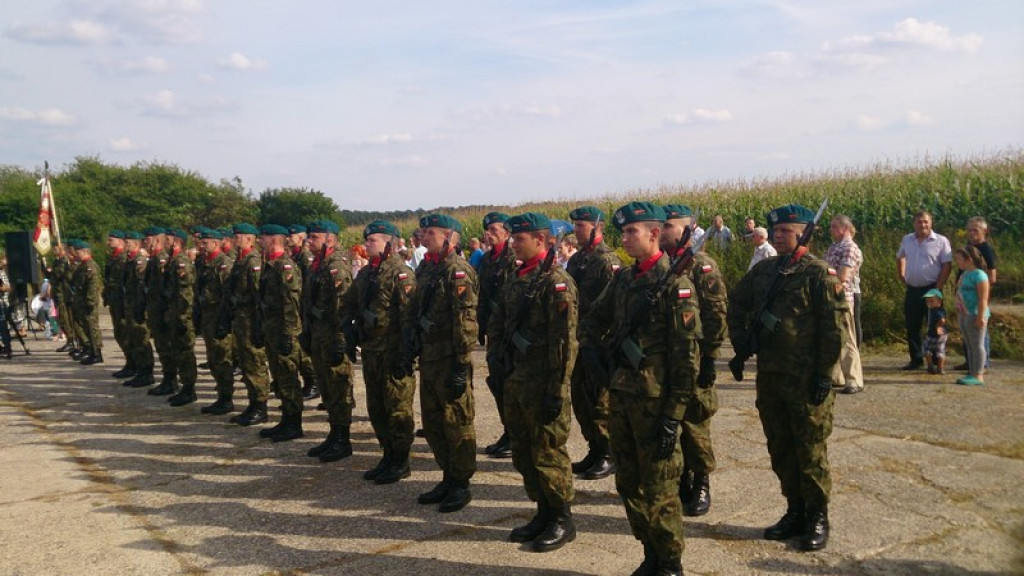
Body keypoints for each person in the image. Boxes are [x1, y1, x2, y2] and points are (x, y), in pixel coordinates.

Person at [580, 202, 699, 576]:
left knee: (662, 488)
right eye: (623, 232)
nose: (625, 239)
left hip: (656, 403)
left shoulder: (676, 286)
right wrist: (592, 351)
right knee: (629, 482)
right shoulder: (624, 280)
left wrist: (673, 415)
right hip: (621, 397)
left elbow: (686, 360)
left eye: (632, 232)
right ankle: (650, 551)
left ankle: (670, 562)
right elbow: (592, 317)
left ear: (653, 234)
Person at [727, 203, 847, 552]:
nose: (779, 237)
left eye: (786, 231)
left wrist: (825, 374)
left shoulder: (819, 274)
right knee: (780, 448)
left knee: (809, 450)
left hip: (807, 378)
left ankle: (817, 516)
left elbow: (833, 329)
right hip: (771, 377)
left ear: (804, 233)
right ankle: (794, 510)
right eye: (775, 231)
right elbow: (736, 301)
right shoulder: (765, 271)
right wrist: (741, 341)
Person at [487, 212, 579, 551]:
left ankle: (562, 518)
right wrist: (496, 360)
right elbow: (500, 320)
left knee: (548, 453)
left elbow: (565, 343)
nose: (513, 243)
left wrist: (557, 389)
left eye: (520, 238)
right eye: (513, 237)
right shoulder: (517, 276)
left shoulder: (556, 282)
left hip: (543, 383)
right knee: (524, 453)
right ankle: (543, 511)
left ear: (541, 241)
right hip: (516, 379)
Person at [404, 214, 479, 513]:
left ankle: (461, 483)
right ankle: (447, 476)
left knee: (456, 423)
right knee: (434, 423)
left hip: (449, 359)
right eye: (423, 232)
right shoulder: (427, 267)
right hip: (430, 357)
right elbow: (415, 307)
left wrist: (461, 364)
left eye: (431, 232)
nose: (424, 237)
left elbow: (466, 322)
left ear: (450, 236)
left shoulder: (457, 271)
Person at [662, 204, 728, 517]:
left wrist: (712, 358)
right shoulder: (661, 264)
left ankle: (701, 479)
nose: (662, 231)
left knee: (695, 423)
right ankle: (682, 476)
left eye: (669, 226)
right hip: (667, 359)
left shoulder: (702, 266)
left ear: (687, 230)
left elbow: (716, 315)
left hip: (696, 358)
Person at [341, 220, 417, 483]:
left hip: (392, 352)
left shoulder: (401, 273)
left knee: (397, 409)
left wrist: (407, 353)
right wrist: (348, 329)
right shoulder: (366, 274)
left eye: (373, 240)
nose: (367, 243)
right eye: (367, 239)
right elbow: (349, 303)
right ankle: (387, 455)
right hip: (372, 351)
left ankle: (400, 460)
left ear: (390, 243)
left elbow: (409, 317)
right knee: (376, 407)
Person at [566, 205, 622, 481]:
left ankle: (608, 453)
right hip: (578, 340)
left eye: (581, 226)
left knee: (599, 401)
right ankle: (594, 448)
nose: (576, 231)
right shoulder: (578, 260)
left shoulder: (606, 261)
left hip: (598, 343)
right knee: (581, 399)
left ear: (596, 227)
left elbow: (611, 309)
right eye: (575, 226)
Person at [302, 220, 358, 462]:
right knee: (327, 387)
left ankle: (343, 440)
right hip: (318, 336)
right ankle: (334, 434)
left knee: (339, 389)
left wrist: (339, 340)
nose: (309, 241)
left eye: (314, 237)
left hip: (332, 338)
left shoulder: (336, 267)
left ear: (330, 240)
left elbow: (342, 309)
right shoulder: (317, 265)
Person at [252, 225, 305, 440]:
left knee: (288, 376)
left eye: (263, 237)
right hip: (272, 329)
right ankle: (285, 419)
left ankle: (294, 423)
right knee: (280, 377)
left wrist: (288, 333)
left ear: (274, 240)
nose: (259, 241)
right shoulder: (270, 265)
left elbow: (291, 302)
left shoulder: (285, 266)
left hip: (285, 331)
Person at [220, 223, 272, 426]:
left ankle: (260, 406)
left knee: (254, 362)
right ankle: (253, 403)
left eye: (238, 237)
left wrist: (260, 324)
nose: (234, 240)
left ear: (249, 239)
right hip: (241, 320)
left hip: (251, 321)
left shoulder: (253, 262)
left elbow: (259, 295)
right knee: (246, 362)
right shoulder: (242, 260)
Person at [477, 212, 517, 459]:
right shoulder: (488, 259)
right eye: (487, 229)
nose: (488, 234)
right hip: (494, 330)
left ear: (506, 232)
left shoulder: (512, 258)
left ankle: (514, 433)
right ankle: (508, 429)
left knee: (509, 384)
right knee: (497, 382)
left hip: (507, 332)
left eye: (493, 229)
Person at [896, 210, 952, 370]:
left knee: (934, 325)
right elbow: (900, 257)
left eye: (926, 221)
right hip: (912, 289)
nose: (923, 225)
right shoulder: (907, 239)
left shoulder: (941, 241)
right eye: (919, 222)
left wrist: (938, 289)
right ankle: (916, 359)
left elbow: (947, 266)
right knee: (912, 325)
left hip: (932, 289)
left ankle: (935, 360)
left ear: (931, 223)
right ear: (914, 223)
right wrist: (902, 275)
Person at [196, 229, 237, 415]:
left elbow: (227, 295)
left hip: (219, 317)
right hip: (208, 317)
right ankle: (221, 395)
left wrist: (224, 320)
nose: (201, 245)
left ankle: (227, 398)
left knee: (222, 358)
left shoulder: (223, 264)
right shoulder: (207, 263)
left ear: (216, 243)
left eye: (205, 242)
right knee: (213, 359)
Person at [826, 215, 864, 394]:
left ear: (845, 228)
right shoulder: (834, 246)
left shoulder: (849, 248)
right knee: (833, 339)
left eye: (834, 227)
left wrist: (828, 279)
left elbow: (843, 276)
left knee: (847, 339)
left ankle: (854, 379)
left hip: (843, 298)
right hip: (831, 298)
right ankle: (837, 377)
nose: (831, 230)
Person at [163, 228, 200, 407]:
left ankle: (189, 388)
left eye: (167, 239)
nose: (164, 242)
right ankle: (183, 386)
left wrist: (184, 318)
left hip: (181, 314)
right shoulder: (174, 260)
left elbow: (186, 293)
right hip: (174, 312)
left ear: (176, 242)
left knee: (185, 351)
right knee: (177, 349)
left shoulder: (181, 262)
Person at [955, 217, 997, 371]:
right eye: (970, 230)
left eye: (976, 230)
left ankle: (982, 365)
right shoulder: (967, 248)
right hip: (964, 298)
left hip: (977, 298)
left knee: (979, 331)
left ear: (984, 231)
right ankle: (970, 362)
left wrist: (978, 290)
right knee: (967, 331)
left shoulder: (985, 250)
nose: (972, 233)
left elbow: (992, 276)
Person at [288, 224, 320, 402]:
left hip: (302, 307)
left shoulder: (306, 257)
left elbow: (307, 284)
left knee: (303, 350)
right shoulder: (295, 255)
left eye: (292, 236)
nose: (289, 238)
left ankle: (312, 382)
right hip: (300, 306)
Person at [122, 232, 156, 388]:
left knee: (141, 338)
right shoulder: (130, 261)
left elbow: (141, 286)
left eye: (127, 242)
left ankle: (146, 372)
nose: (125, 245)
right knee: (133, 338)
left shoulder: (139, 261)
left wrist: (141, 306)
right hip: (131, 304)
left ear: (135, 244)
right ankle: (138, 368)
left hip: (138, 304)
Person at [954, 246, 990, 386]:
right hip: (964, 313)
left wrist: (980, 316)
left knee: (977, 344)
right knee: (969, 344)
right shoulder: (964, 274)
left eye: (959, 259)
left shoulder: (980, 275)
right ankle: (972, 371)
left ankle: (979, 374)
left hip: (975, 313)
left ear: (968, 259)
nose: (957, 262)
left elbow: (983, 298)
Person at [104, 231, 132, 377]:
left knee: (125, 333)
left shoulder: (123, 258)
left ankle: (133, 363)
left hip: (122, 301)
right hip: (114, 299)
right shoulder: (113, 257)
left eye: (111, 240)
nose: (108, 242)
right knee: (119, 333)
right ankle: (129, 362)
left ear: (121, 241)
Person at [70, 241, 104, 365]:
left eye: (77, 252)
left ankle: (97, 353)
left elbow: (93, 285)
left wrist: (90, 301)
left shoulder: (90, 266)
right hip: (82, 302)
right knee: (86, 327)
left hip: (88, 303)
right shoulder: (82, 266)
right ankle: (91, 350)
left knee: (92, 327)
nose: (75, 254)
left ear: (84, 251)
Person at [920, 289, 948, 375]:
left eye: (932, 301)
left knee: (934, 349)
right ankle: (935, 367)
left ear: (939, 301)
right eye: (927, 301)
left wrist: (938, 326)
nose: (929, 303)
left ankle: (935, 367)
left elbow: (942, 320)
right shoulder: (932, 310)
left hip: (937, 335)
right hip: (936, 334)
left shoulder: (938, 310)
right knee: (932, 349)